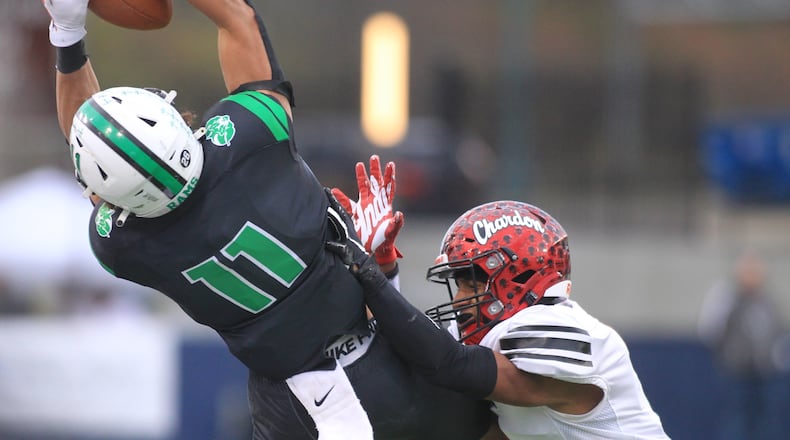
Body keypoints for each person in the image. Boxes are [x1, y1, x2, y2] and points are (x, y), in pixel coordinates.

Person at [42, 0, 496, 438]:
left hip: (300, 408)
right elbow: (238, 18)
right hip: (392, 350)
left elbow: (97, 158)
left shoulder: (121, 246)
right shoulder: (248, 138)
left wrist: (67, 36)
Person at [333, 174, 669, 438]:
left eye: (472, 281)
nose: (461, 298)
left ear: (522, 277)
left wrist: (372, 278)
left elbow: (448, 364)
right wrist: (384, 268)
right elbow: (406, 362)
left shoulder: (571, 334)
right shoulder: (489, 346)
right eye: (459, 282)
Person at [697, 250, 786, 440]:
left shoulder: (767, 301)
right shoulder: (727, 298)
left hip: (763, 372)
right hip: (736, 372)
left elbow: (776, 331)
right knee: (736, 421)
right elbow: (710, 329)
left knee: (763, 423)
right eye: (749, 272)